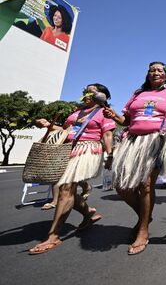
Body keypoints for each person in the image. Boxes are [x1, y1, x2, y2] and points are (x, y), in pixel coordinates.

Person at [103, 62, 166, 255]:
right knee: (121, 185)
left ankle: (143, 230)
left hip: (157, 140)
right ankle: (144, 217)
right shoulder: (138, 94)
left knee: (146, 185)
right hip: (131, 141)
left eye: (159, 70)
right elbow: (126, 121)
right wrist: (114, 115)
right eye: (151, 70)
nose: (155, 72)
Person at [29, 84, 115, 254]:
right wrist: (48, 125)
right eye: (85, 90)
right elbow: (65, 131)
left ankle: (53, 236)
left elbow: (107, 134)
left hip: (87, 149)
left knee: (66, 188)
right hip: (68, 149)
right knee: (65, 188)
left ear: (102, 96)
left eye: (92, 90)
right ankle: (88, 213)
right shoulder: (76, 111)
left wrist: (110, 156)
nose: (86, 92)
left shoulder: (104, 112)